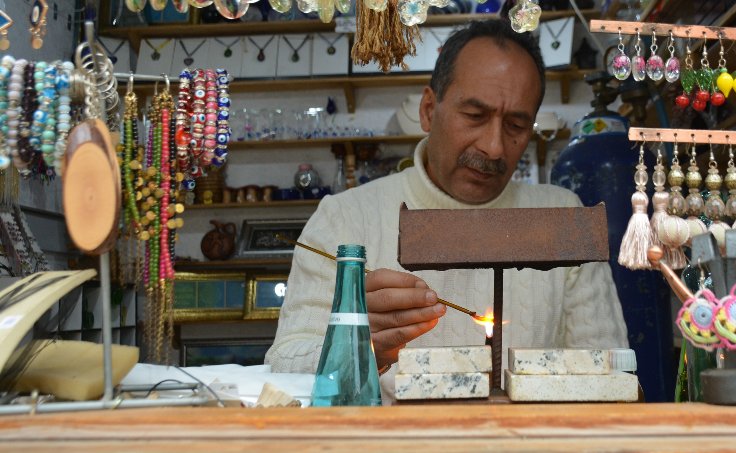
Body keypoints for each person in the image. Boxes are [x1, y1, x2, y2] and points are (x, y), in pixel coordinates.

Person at [265, 19, 628, 402]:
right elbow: (283, 364)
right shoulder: (344, 220)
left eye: (516, 125)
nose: (493, 147)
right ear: (427, 110)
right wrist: (352, 346)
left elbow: (611, 371)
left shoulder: (564, 219)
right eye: (474, 116)